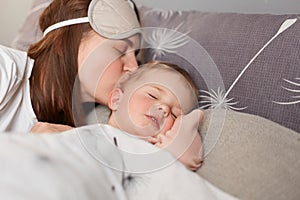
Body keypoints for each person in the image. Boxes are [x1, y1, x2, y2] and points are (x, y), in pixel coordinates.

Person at [0, 0, 141, 133]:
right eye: (120, 50)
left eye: (135, 54)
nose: (134, 68)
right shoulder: (6, 68)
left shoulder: (81, 131)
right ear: (63, 44)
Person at [107, 61, 203, 171]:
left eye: (174, 115)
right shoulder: (91, 137)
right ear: (116, 100)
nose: (165, 108)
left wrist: (177, 154)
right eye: (153, 96)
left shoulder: (155, 157)